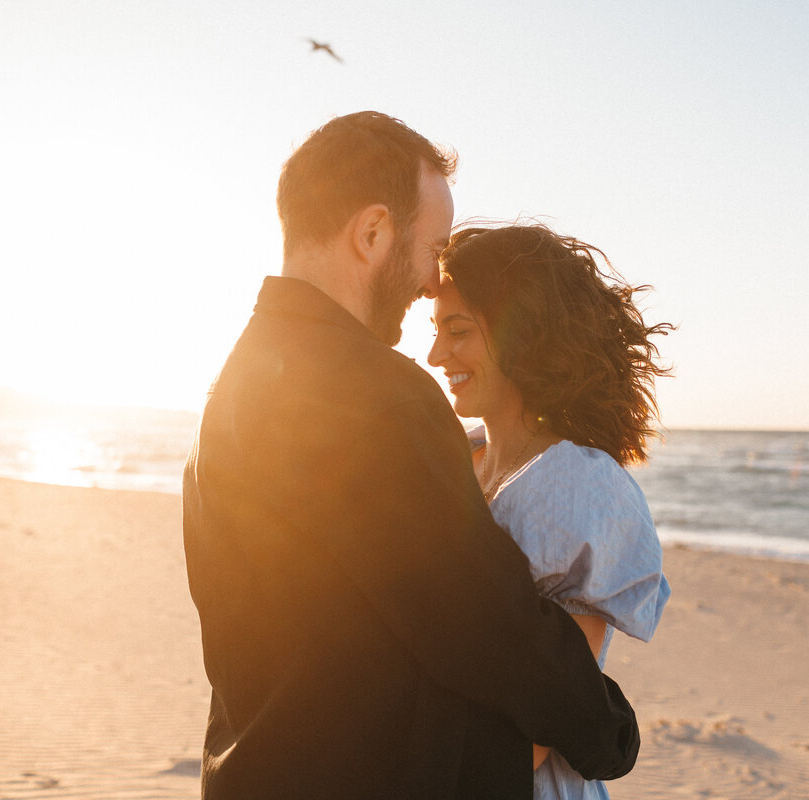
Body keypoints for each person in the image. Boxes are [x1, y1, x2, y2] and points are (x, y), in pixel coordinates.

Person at [182, 112, 640, 799]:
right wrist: (608, 729)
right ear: (371, 233)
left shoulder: (231, 388)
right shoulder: (378, 396)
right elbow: (485, 624)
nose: (432, 279)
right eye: (431, 248)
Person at [428, 223, 673, 800]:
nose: (437, 354)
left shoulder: (580, 485)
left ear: (524, 332)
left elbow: (554, 702)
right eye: (435, 331)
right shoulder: (452, 455)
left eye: (457, 331)